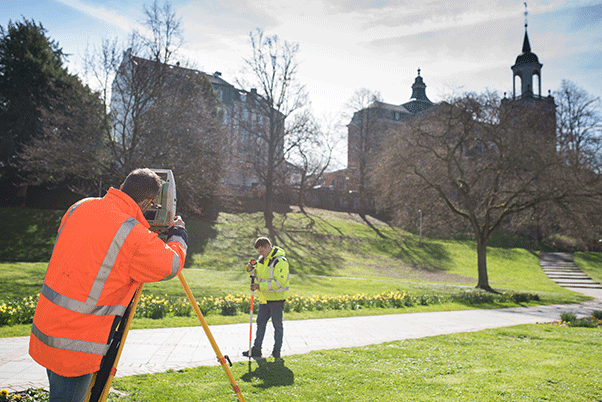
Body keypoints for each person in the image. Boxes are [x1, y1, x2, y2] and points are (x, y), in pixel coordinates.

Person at [29, 168, 188, 402]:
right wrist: (179, 235)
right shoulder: (133, 234)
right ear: (146, 203)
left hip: (47, 328)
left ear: (123, 187)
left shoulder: (81, 206)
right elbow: (169, 265)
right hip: (75, 345)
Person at [243, 237, 289, 359]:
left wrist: (259, 286)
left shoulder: (280, 261)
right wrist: (249, 269)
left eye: (262, 251)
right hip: (264, 298)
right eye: (259, 252)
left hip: (277, 299)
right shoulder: (261, 259)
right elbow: (256, 273)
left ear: (268, 247)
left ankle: (276, 351)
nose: (260, 254)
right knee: (260, 323)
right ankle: (256, 349)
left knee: (277, 326)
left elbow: (280, 282)